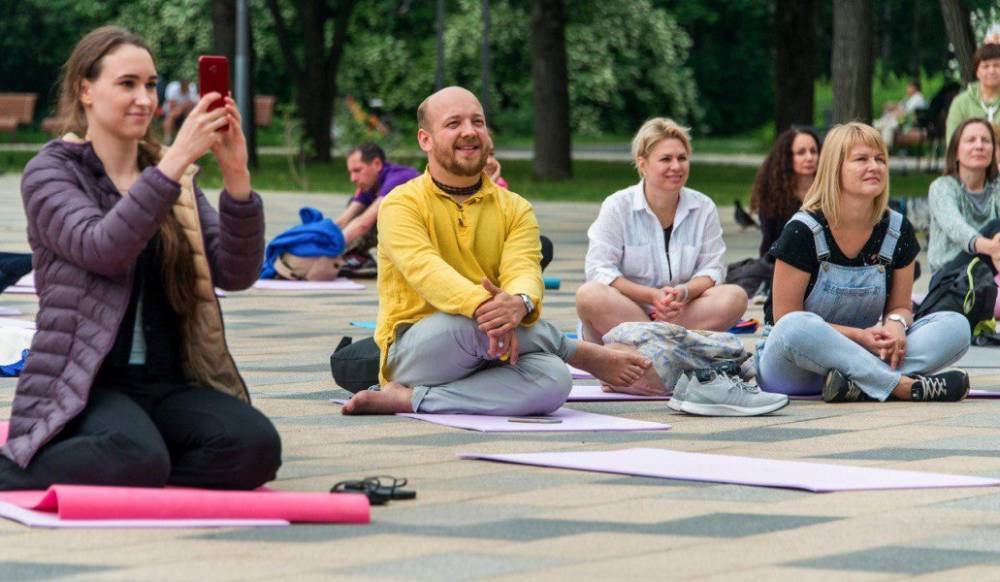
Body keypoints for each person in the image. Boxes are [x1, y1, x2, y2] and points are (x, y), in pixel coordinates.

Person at [0, 27, 281, 490]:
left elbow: (235, 272)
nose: (145, 99)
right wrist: (174, 165)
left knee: (254, 448)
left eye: (151, 85)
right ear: (84, 89)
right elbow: (103, 247)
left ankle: (142, 467)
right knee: (135, 456)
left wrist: (236, 177)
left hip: (167, 380)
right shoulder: (52, 172)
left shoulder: (171, 176)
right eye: (127, 83)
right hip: (85, 382)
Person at [340, 86, 651, 416]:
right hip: (420, 349)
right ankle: (578, 352)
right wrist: (488, 308)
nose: (469, 132)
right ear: (425, 140)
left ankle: (410, 399)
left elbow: (524, 270)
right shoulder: (401, 203)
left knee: (555, 380)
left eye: (477, 121)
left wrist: (518, 302)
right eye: (453, 123)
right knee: (471, 326)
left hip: (497, 341)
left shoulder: (515, 207)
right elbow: (427, 271)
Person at [757, 122, 971, 403]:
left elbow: (900, 307)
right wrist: (859, 337)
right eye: (861, 159)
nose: (875, 166)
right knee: (795, 326)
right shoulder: (802, 230)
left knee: (956, 326)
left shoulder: (897, 230)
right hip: (796, 365)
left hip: (869, 350)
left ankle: (856, 384)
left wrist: (895, 324)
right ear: (835, 169)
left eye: (880, 159)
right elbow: (785, 318)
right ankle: (901, 386)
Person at [576, 118, 748, 344]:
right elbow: (599, 269)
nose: (676, 166)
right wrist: (651, 296)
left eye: (682, 158)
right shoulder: (617, 206)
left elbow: (713, 269)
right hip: (626, 313)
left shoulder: (704, 207)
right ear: (642, 164)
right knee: (589, 295)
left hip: (681, 313)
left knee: (735, 297)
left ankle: (648, 345)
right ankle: (668, 345)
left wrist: (683, 293)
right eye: (666, 159)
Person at [334, 142, 419, 273]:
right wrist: (316, 236)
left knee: (383, 214)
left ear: (377, 164)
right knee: (354, 204)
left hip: (432, 237)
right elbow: (343, 220)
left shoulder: (399, 178)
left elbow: (364, 223)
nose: (353, 178)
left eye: (357, 170)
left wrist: (329, 246)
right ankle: (358, 257)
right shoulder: (371, 183)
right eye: (351, 172)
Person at [749, 126, 821, 260]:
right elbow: (769, 246)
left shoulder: (828, 192)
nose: (809, 157)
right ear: (787, 157)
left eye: (813, 151)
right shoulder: (774, 198)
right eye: (801, 152)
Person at [946, 43, 1000, 147]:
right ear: (977, 71)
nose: (991, 71)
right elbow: (952, 143)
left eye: (997, 66)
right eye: (985, 66)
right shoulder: (960, 103)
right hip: (970, 161)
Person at [874, 79, 928, 150]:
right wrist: (893, 107)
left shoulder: (918, 98)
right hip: (901, 121)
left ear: (915, 88)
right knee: (885, 126)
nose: (907, 89)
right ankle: (883, 149)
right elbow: (901, 107)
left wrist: (895, 111)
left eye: (909, 87)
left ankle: (884, 149)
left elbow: (906, 112)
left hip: (907, 123)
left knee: (886, 126)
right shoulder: (909, 98)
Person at [161, 78, 198, 144]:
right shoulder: (172, 87)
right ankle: (167, 138)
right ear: (180, 85)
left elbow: (192, 102)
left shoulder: (192, 87)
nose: (185, 89)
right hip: (172, 107)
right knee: (170, 116)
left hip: (185, 108)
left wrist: (181, 108)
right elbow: (171, 103)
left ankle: (187, 135)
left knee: (190, 114)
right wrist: (178, 109)